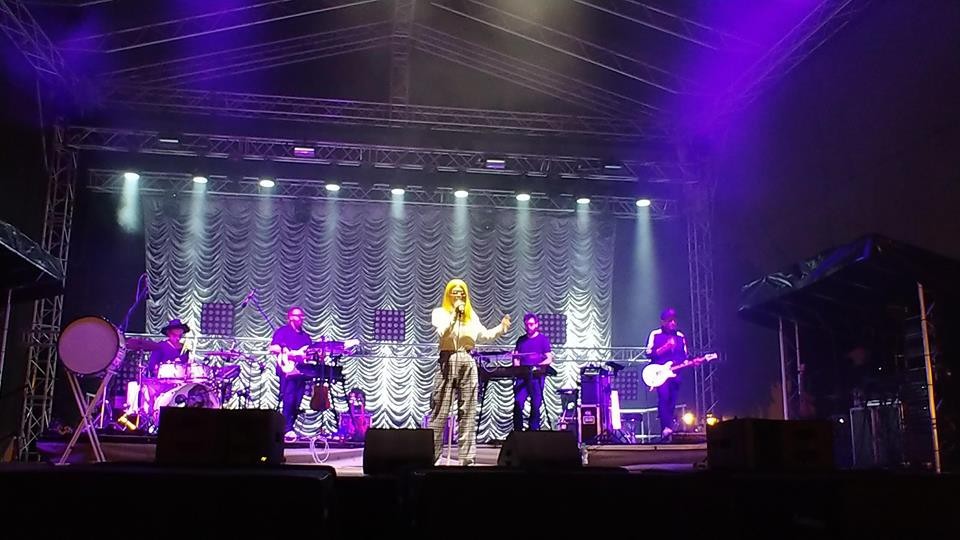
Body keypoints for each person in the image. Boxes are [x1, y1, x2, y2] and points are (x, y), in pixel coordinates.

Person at [430, 279, 510, 465]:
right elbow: (443, 333)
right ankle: (433, 457)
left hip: (467, 359)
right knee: (440, 410)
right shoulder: (440, 313)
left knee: (468, 412)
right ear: (448, 294)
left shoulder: (471, 316)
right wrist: (454, 316)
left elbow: (484, 335)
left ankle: (466, 459)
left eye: (462, 293)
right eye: (455, 292)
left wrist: (501, 329)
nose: (459, 295)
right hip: (448, 358)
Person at [268, 306, 313, 443]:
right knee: (288, 398)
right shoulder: (282, 332)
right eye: (297, 315)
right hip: (287, 370)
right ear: (290, 317)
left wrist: (306, 356)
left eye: (301, 316)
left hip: (300, 371)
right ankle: (286, 428)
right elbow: (272, 347)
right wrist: (289, 352)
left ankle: (290, 427)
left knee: (297, 400)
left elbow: (308, 354)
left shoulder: (305, 337)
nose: (300, 318)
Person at [645, 308, 688, 441]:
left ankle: (667, 429)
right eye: (670, 320)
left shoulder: (680, 336)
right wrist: (665, 347)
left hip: (675, 373)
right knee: (664, 397)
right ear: (663, 322)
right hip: (660, 373)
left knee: (672, 401)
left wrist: (688, 362)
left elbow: (684, 355)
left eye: (674, 320)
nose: (673, 323)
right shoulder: (655, 334)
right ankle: (665, 427)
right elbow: (648, 353)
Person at [512, 312, 554, 432]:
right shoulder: (521, 340)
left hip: (536, 377)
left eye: (531, 324)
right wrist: (517, 367)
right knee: (518, 402)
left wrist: (537, 367)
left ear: (536, 324)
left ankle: (533, 430)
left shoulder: (543, 340)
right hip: (522, 377)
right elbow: (516, 357)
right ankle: (518, 431)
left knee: (535, 404)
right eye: (527, 324)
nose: (528, 327)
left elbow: (549, 358)